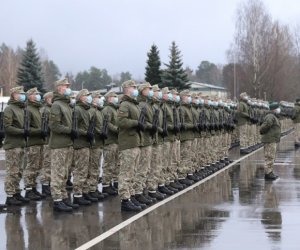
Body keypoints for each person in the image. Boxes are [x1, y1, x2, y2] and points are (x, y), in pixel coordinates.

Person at [49, 78, 78, 212]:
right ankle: (57, 200)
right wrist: (69, 131)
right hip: (59, 144)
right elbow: (54, 125)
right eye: (66, 86)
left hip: (67, 143)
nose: (68, 88)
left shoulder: (66, 105)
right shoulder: (57, 105)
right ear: (59, 88)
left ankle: (64, 197)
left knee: (65, 173)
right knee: (58, 172)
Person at [118, 80, 142, 212]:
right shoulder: (125, 104)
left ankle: (130, 196)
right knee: (126, 172)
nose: (135, 89)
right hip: (127, 143)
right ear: (127, 89)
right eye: (133, 87)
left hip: (134, 142)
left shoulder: (133, 104)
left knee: (132, 172)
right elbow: (121, 121)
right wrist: (136, 123)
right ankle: (125, 200)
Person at [3, 86, 30, 206]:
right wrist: (22, 131)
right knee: (12, 171)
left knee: (19, 171)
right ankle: (10, 195)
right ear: (14, 95)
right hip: (13, 145)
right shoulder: (10, 109)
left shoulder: (22, 108)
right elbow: (7, 127)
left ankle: (16, 192)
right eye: (20, 93)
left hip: (21, 144)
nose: (23, 95)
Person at [72, 89, 97, 205]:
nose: (89, 97)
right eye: (87, 95)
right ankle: (77, 194)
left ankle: (85, 191)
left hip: (87, 143)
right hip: (80, 144)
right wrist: (85, 133)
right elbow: (75, 127)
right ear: (81, 97)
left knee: (86, 170)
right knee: (80, 170)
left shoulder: (85, 109)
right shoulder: (77, 109)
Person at [23, 87, 45, 200]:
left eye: (38, 93)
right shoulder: (28, 109)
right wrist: (39, 131)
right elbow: (27, 129)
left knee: (37, 167)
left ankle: (33, 188)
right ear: (30, 96)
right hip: (32, 143)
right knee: (31, 167)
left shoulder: (38, 109)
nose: (37, 95)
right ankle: (28, 190)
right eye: (35, 94)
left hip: (40, 142)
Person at [101, 91, 119, 196]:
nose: (116, 98)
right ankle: (106, 185)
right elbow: (107, 123)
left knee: (115, 164)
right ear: (108, 98)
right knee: (109, 164)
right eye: (114, 96)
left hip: (115, 140)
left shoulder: (114, 109)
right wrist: (117, 130)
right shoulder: (107, 109)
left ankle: (113, 183)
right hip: (110, 140)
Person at [260, 102, 281, 181]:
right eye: (278, 108)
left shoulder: (273, 116)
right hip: (269, 139)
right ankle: (268, 173)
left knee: (271, 156)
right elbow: (266, 125)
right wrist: (261, 131)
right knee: (269, 156)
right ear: (274, 109)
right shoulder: (270, 116)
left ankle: (270, 172)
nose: (279, 110)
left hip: (272, 139)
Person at [40, 91, 53, 197]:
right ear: (47, 99)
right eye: (50, 98)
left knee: (50, 164)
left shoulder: (50, 109)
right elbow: (45, 126)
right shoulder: (45, 110)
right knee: (47, 164)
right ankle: (45, 186)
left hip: (51, 140)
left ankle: (48, 184)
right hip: (46, 141)